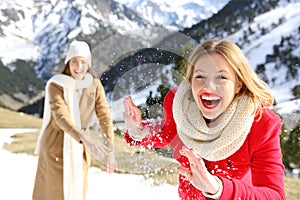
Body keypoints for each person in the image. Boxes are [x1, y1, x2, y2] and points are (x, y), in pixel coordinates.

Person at [123, 39, 285, 199]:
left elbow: (275, 195)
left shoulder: (260, 124)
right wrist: (138, 130)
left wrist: (218, 189)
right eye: (200, 77)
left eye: (221, 77)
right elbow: (167, 132)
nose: (208, 87)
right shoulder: (181, 107)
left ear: (238, 84)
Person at [33, 40, 116, 200]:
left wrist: (109, 149)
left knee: (77, 190)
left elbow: (104, 116)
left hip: (80, 145)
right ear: (68, 63)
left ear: (88, 64)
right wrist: (84, 138)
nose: (79, 66)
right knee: (54, 192)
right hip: (55, 145)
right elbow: (60, 116)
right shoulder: (56, 85)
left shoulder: (94, 85)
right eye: (74, 61)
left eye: (83, 62)